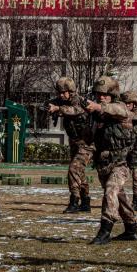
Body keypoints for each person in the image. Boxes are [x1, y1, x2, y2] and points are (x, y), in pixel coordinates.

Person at [87, 76, 137, 245]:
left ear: (113, 95)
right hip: (104, 163)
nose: (101, 97)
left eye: (105, 94)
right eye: (98, 94)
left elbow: (119, 111)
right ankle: (131, 228)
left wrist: (99, 107)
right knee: (119, 196)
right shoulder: (98, 115)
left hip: (121, 164)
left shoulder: (120, 107)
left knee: (110, 191)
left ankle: (105, 230)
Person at [46, 77, 93, 213]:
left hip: (87, 143)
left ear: (71, 91)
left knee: (73, 169)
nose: (61, 95)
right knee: (79, 172)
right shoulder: (62, 101)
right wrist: (49, 106)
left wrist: (57, 108)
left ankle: (74, 201)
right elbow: (48, 104)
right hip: (74, 142)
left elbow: (74, 110)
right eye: (60, 93)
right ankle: (85, 201)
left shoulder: (79, 101)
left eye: (64, 92)